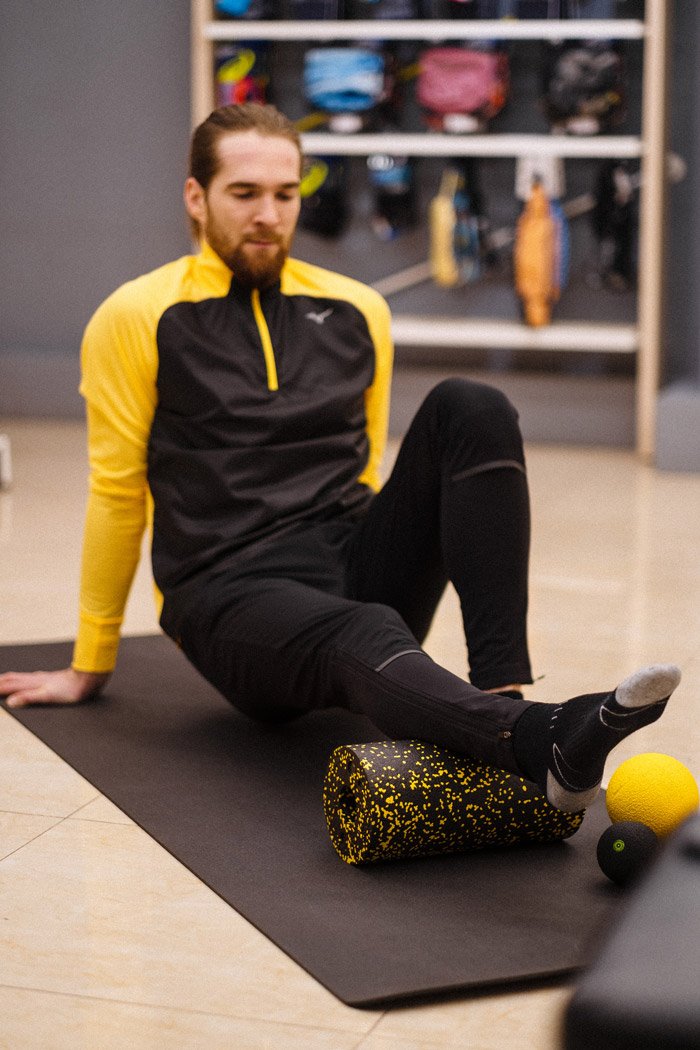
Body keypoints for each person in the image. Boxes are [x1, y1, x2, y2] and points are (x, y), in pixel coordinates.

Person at [0, 103, 680, 814]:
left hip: (345, 558)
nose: (269, 215)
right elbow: (116, 493)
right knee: (366, 628)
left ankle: (501, 694)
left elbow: (363, 471)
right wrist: (90, 662)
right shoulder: (138, 315)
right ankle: (538, 740)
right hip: (226, 590)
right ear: (196, 198)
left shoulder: (358, 309)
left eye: (285, 194)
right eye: (244, 193)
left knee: (471, 405)